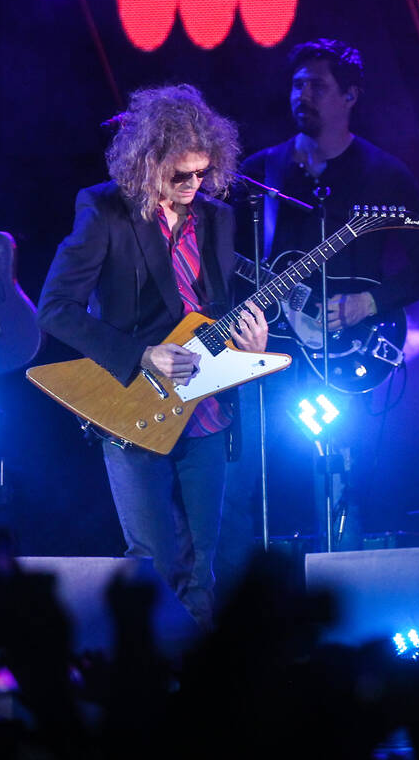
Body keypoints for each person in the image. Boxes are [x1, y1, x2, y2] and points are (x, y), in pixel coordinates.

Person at [37, 84, 268, 629]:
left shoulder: (216, 216)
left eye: (201, 174)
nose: (193, 186)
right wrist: (141, 355)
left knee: (204, 568)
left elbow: (215, 309)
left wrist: (247, 345)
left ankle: (198, 693)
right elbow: (56, 309)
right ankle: (145, 686)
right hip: (133, 404)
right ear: (148, 163)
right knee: (153, 564)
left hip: (206, 410)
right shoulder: (104, 210)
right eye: (180, 176)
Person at [222, 38, 419, 566]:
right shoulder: (260, 174)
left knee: (344, 487)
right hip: (265, 356)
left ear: (350, 95)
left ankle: (343, 593)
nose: (302, 95)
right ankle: (240, 607)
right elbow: (222, 263)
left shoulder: (385, 174)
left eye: (317, 86)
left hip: (347, 356)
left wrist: (370, 302)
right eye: (296, 85)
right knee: (244, 484)